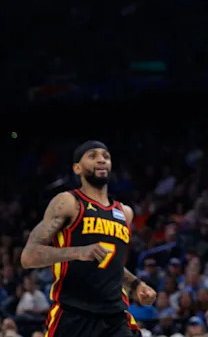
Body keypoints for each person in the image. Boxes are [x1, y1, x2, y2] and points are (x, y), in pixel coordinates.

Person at [20, 141, 157, 337]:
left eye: (106, 156)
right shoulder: (68, 202)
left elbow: (113, 265)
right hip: (74, 315)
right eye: (92, 156)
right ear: (77, 168)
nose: (101, 159)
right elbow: (29, 256)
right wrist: (79, 251)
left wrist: (136, 285)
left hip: (115, 317)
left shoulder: (124, 213)